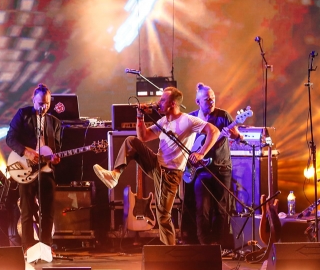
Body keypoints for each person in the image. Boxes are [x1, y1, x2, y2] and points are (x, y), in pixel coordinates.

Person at [94, 87, 220, 245]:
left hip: (171, 174)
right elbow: (143, 137)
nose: (158, 103)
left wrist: (201, 153)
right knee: (131, 141)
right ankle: (114, 175)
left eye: (162, 100)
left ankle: (170, 251)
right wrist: (140, 117)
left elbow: (214, 131)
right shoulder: (163, 121)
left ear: (172, 104)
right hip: (156, 164)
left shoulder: (188, 120)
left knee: (163, 216)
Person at [183, 83, 242, 245]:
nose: (211, 102)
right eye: (207, 99)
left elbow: (239, 138)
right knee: (202, 208)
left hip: (222, 168)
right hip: (200, 170)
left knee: (221, 209)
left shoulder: (223, 116)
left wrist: (234, 135)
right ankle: (204, 244)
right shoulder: (191, 118)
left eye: (213, 98)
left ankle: (217, 244)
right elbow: (182, 143)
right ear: (198, 102)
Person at [5, 83, 62, 251]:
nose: (43, 107)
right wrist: (26, 151)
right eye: (40, 103)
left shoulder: (55, 122)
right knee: (27, 210)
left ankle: (46, 247)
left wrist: (56, 159)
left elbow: (57, 148)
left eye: (47, 104)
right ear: (33, 100)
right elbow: (10, 138)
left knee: (48, 211)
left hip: (46, 170)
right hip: (26, 168)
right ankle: (28, 247)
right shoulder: (23, 115)